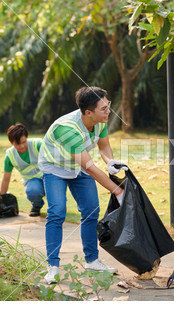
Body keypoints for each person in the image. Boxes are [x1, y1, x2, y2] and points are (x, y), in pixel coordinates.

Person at [39, 86, 127, 284]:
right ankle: (52, 266)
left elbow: (103, 145)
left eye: (108, 105)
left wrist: (110, 161)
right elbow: (90, 169)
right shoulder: (67, 129)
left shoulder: (100, 120)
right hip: (55, 168)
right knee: (57, 211)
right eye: (104, 108)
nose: (108, 111)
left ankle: (92, 260)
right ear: (88, 112)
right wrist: (118, 191)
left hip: (77, 167)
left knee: (91, 210)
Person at [0, 123, 45, 217]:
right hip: (32, 181)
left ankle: (56, 207)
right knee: (33, 191)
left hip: (49, 176)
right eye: (17, 144)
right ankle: (37, 205)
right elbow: (6, 179)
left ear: (26, 138)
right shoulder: (10, 156)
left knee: (56, 196)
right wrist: (1, 200)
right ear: (12, 143)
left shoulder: (38, 144)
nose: (22, 146)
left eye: (24, 142)